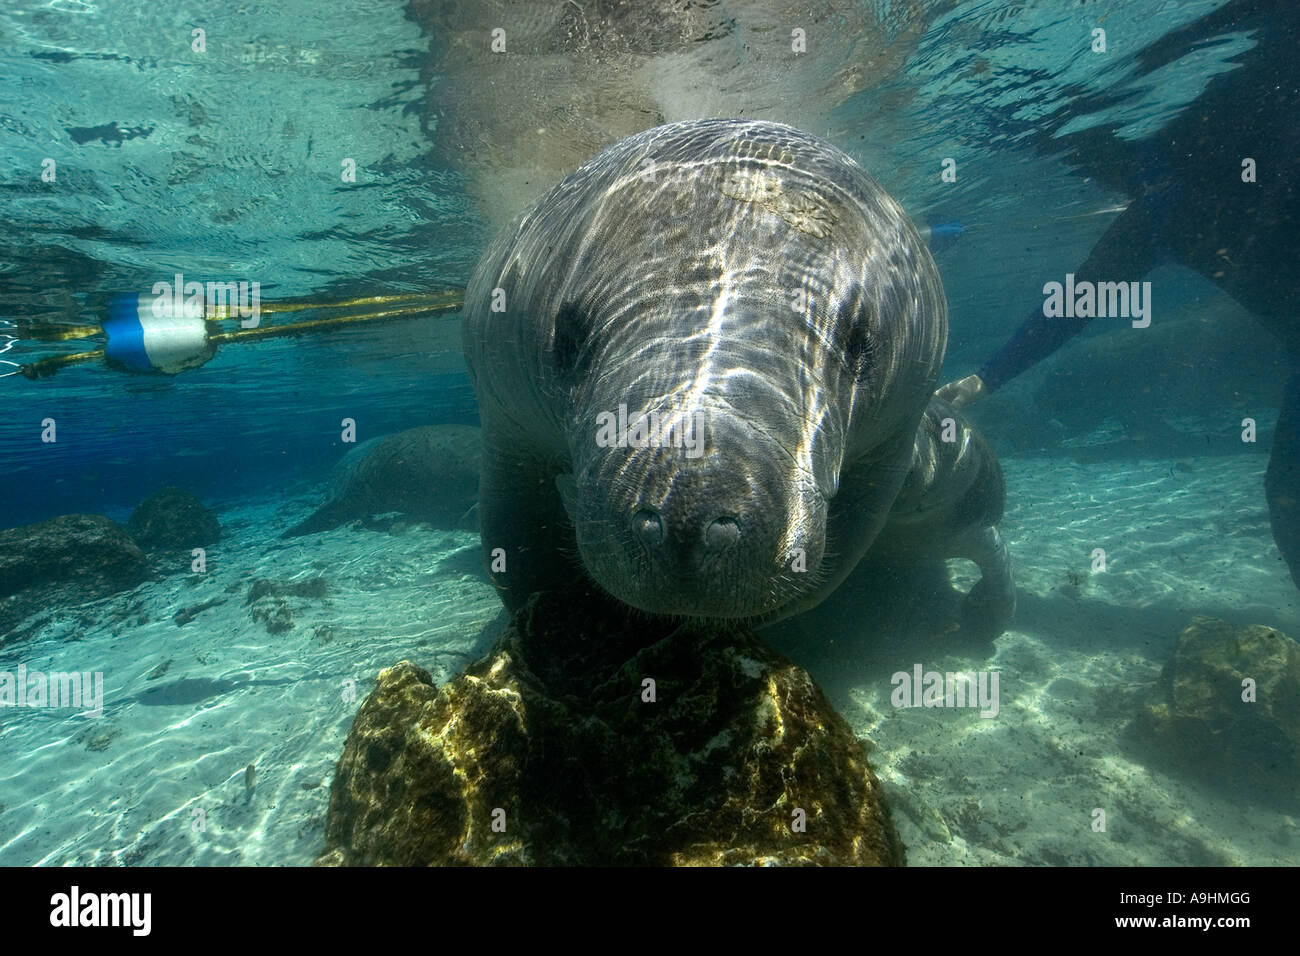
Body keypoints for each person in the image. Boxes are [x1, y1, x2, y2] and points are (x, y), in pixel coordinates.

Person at [938, 0, 1300, 588]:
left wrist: (989, 377)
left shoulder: (1195, 181)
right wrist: (988, 377)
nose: (1091, 174)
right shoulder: (1161, 209)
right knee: (1288, 497)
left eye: (1095, 161)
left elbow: (1077, 301)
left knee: (1288, 495)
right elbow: (1078, 303)